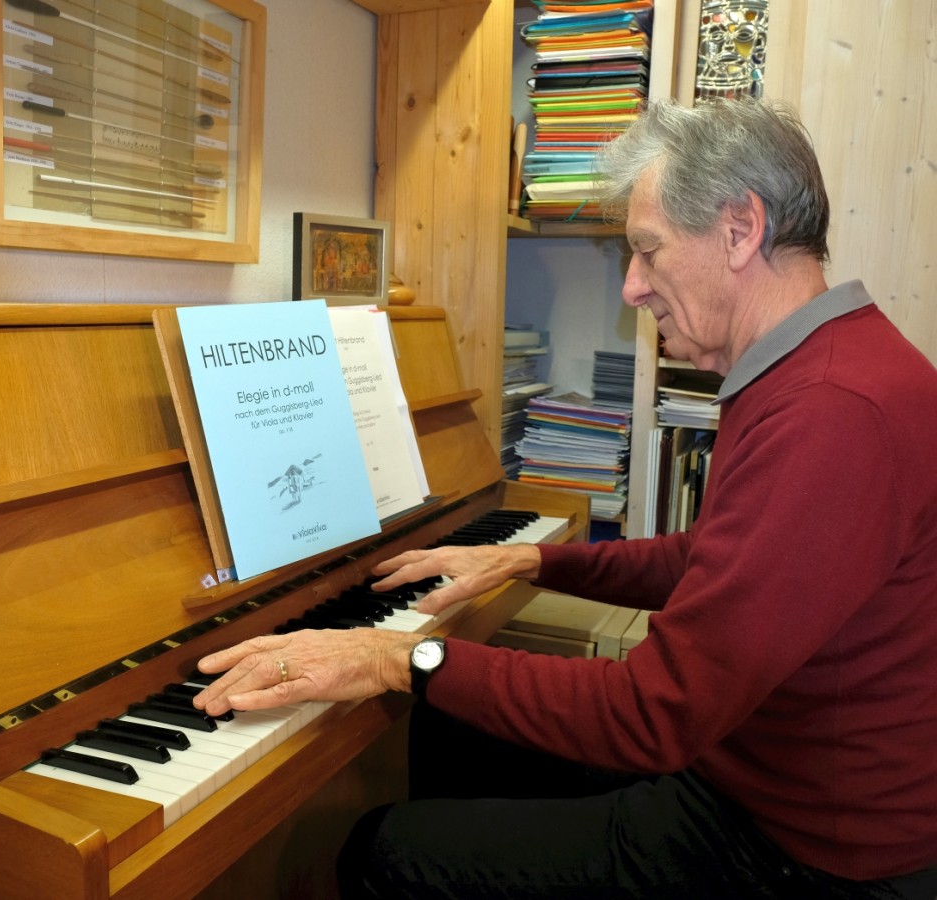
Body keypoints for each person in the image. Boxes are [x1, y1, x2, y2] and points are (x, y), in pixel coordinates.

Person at [193, 99, 937, 898]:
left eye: (646, 251)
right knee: (447, 726)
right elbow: (711, 560)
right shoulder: (823, 369)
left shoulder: (830, 411)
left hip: (801, 854)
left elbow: (654, 714)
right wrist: (532, 560)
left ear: (740, 229)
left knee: (384, 849)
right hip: (758, 780)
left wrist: (394, 655)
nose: (632, 287)